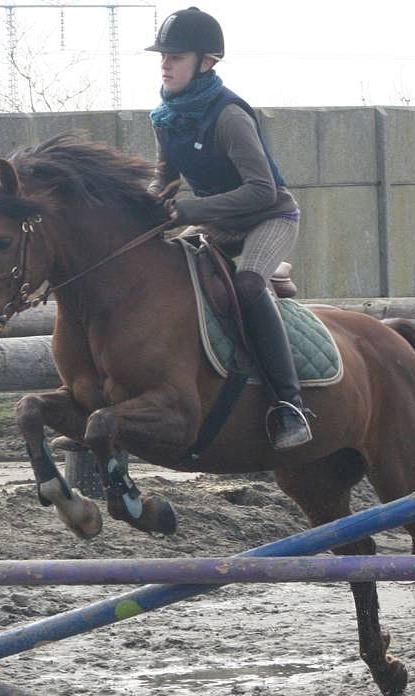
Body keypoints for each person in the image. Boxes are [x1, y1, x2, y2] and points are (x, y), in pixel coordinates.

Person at [145, 6, 312, 451]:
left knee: (248, 285)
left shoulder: (229, 116)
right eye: (163, 55)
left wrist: (189, 210)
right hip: (216, 224)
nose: (165, 64)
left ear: (206, 63)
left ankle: (289, 405)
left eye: (175, 56)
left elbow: (262, 191)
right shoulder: (166, 118)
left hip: (268, 218)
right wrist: (147, 205)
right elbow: (165, 179)